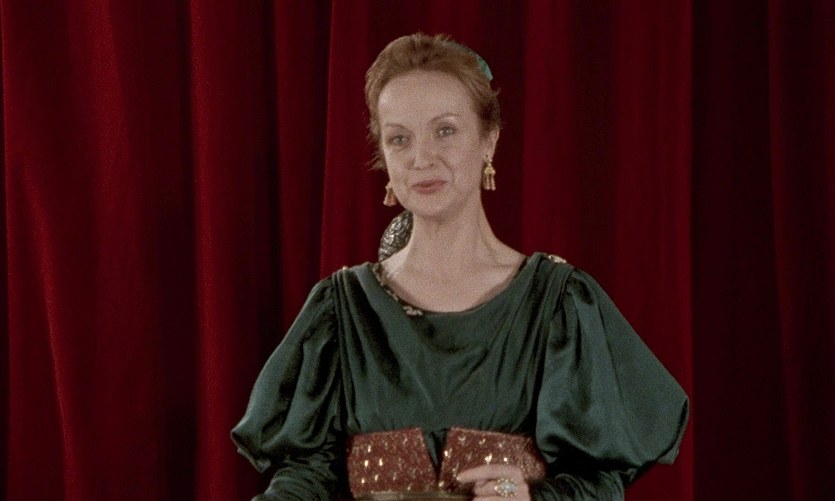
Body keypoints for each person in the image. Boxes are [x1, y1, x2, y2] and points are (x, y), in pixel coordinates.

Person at [231, 33, 688, 501]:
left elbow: (599, 481)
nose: (421, 158)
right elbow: (305, 478)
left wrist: (531, 498)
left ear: (489, 139)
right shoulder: (342, 310)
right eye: (399, 138)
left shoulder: (558, 305)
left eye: (445, 131)